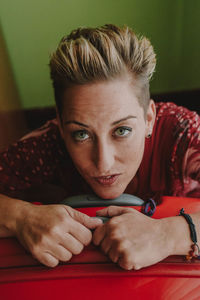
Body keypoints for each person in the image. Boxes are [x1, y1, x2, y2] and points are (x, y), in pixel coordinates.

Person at [0, 24, 199, 270]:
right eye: (81, 134)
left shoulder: (183, 134)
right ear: (61, 128)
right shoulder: (45, 145)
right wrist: (19, 217)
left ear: (149, 119)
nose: (103, 163)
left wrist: (170, 235)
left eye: (122, 131)